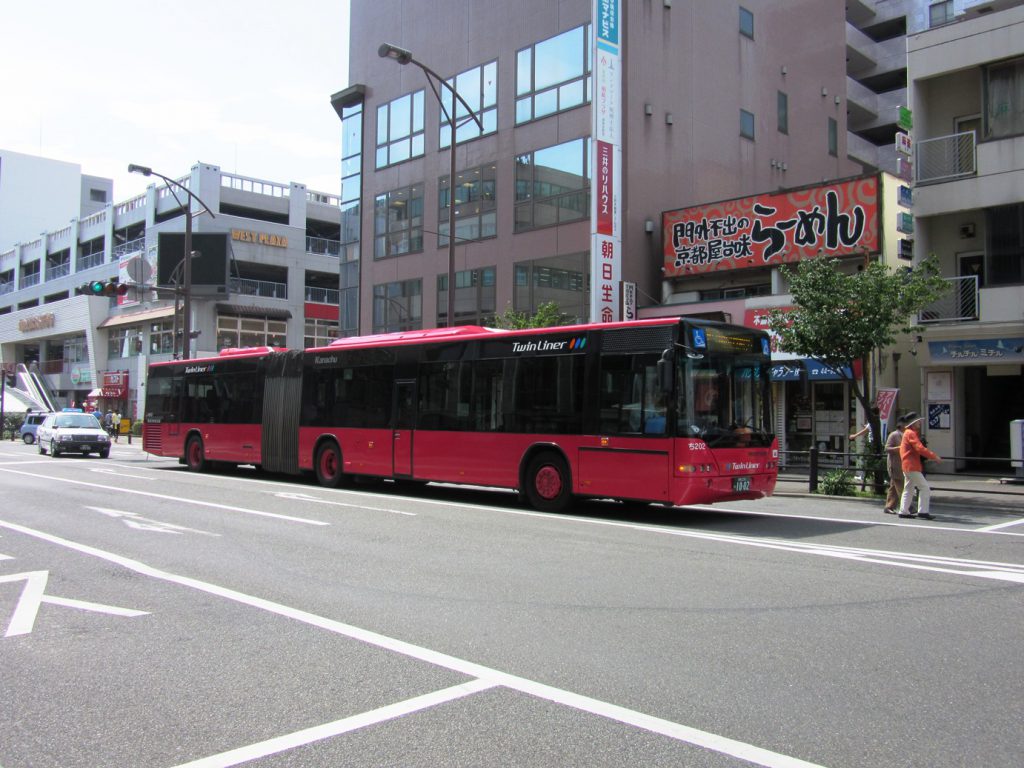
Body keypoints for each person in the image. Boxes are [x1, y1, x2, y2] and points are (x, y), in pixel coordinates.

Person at [897, 416, 940, 520]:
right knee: (924, 487)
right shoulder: (911, 433)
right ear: (913, 423)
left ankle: (903, 511)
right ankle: (923, 511)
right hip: (912, 465)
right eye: (918, 421)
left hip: (907, 465)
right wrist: (934, 456)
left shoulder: (906, 433)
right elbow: (919, 448)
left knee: (908, 488)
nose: (920, 423)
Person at [882, 413, 911, 514]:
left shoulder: (906, 435)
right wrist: (899, 448)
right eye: (906, 424)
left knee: (894, 487)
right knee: (901, 486)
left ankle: (889, 506)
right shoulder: (894, 435)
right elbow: (887, 448)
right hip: (894, 465)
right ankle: (909, 507)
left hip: (902, 464)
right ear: (901, 425)